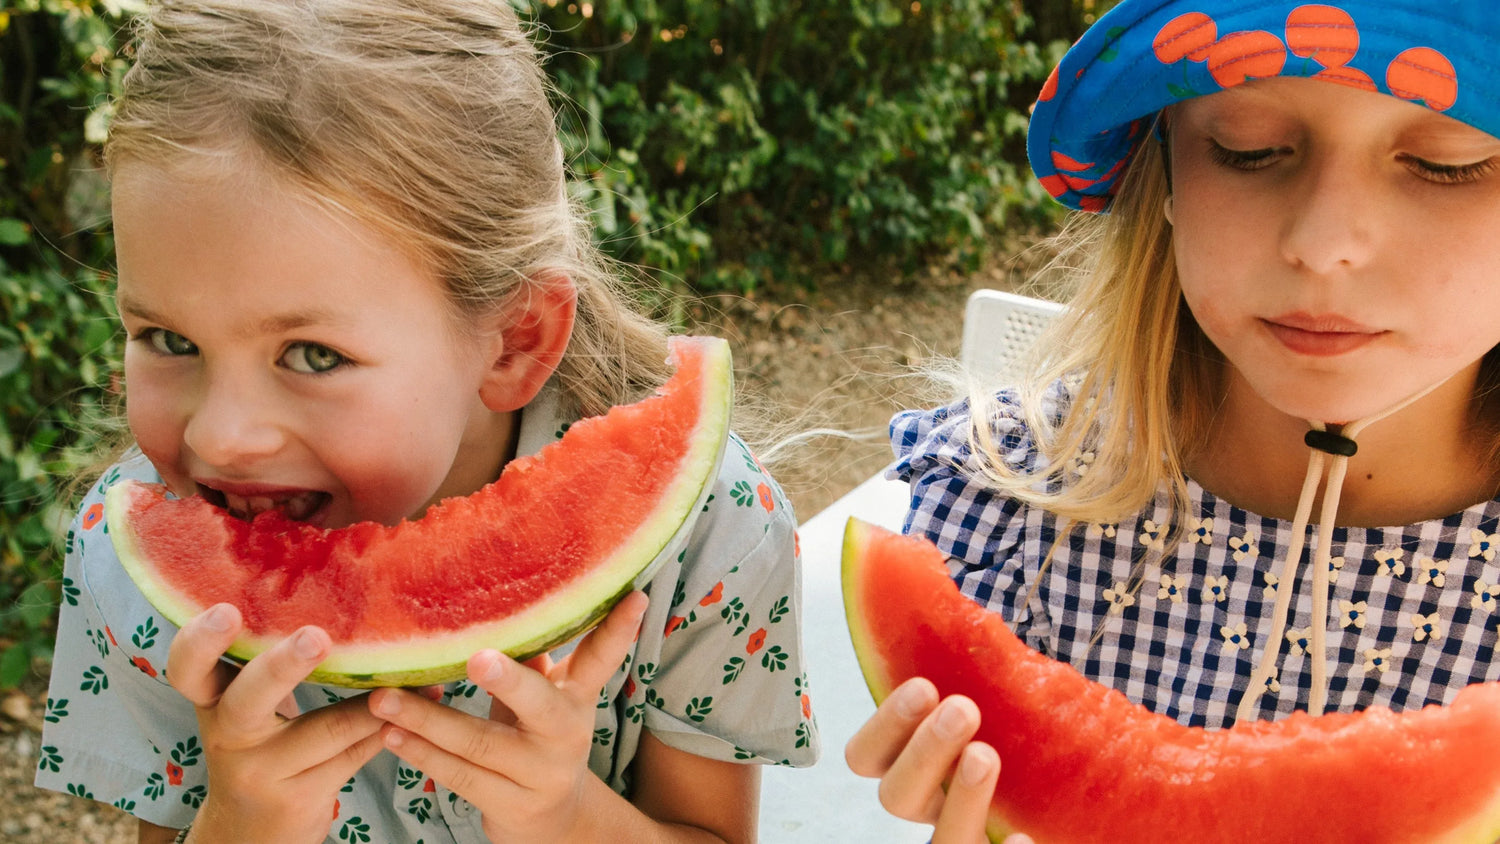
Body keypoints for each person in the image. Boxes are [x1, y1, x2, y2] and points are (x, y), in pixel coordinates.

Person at [34, 1, 817, 841]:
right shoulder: (131, 563)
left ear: (516, 341)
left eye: (313, 355)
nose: (218, 437)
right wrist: (241, 821)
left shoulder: (713, 531)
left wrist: (566, 816)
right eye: (168, 340)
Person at [844, 1, 1500, 840]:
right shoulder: (1008, 504)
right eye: (1248, 148)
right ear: (1169, 177)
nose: (1323, 241)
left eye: (1448, 163)